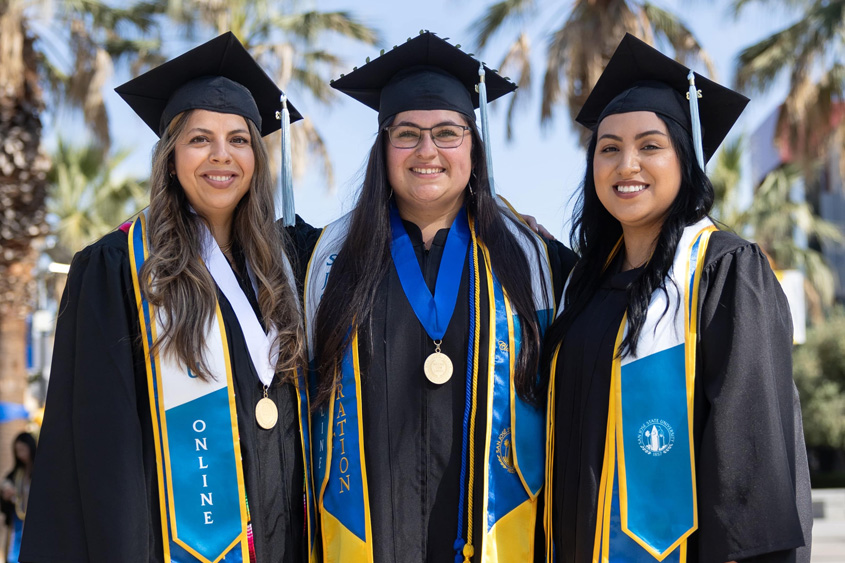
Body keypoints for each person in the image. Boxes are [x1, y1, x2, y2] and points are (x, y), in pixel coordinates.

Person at [20, 32, 310, 563]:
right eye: (200, 138)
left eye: (239, 139)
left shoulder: (288, 267)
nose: (221, 156)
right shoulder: (120, 271)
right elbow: (100, 454)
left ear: (257, 156)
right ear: (170, 154)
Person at [288, 31, 576, 563]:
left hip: (496, 537)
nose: (427, 151)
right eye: (407, 134)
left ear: (473, 144)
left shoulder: (535, 262)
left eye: (447, 132)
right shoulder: (326, 261)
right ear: (383, 147)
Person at [543, 34, 813, 563]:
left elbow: (751, 468)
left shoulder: (725, 271)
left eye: (650, 145)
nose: (626, 165)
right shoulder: (582, 287)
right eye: (609, 148)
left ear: (685, 160)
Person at [1, 432, 36, 563]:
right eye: (17, 451)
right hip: (17, 524)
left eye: (23, 450)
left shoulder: (39, 472)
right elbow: (5, 484)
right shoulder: (16, 473)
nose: (20, 454)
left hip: (33, 524)